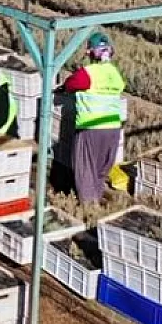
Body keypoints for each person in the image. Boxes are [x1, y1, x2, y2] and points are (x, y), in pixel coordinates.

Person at [61, 32, 126, 205]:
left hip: (91, 127)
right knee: (100, 170)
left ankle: (89, 211)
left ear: (91, 53)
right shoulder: (114, 73)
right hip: (112, 128)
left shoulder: (88, 73)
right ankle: (96, 201)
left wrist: (63, 87)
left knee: (85, 171)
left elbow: (70, 84)